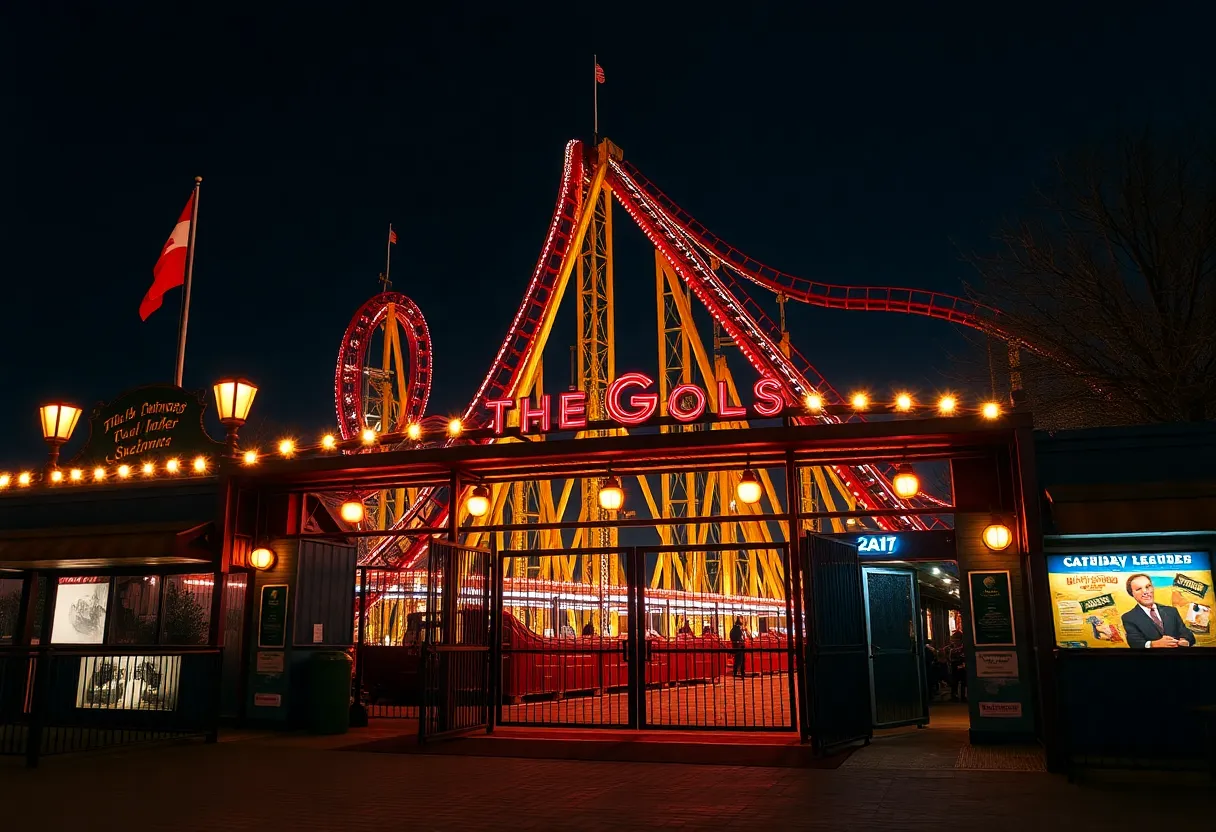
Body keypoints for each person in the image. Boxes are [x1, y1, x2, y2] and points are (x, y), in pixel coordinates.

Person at [1121, 574, 1197, 648]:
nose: (1145, 592)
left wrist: (1185, 641)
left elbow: (1188, 635)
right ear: (1132, 594)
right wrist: (1153, 644)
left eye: (1148, 586)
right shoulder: (1129, 618)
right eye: (1138, 589)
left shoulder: (1171, 611)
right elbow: (1135, 643)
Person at [947, 632, 966, 702]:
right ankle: (954, 696)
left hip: (962, 666)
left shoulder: (963, 647)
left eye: (957, 640)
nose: (955, 642)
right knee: (954, 682)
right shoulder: (951, 648)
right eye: (954, 640)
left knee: (963, 682)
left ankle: (963, 696)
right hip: (954, 666)